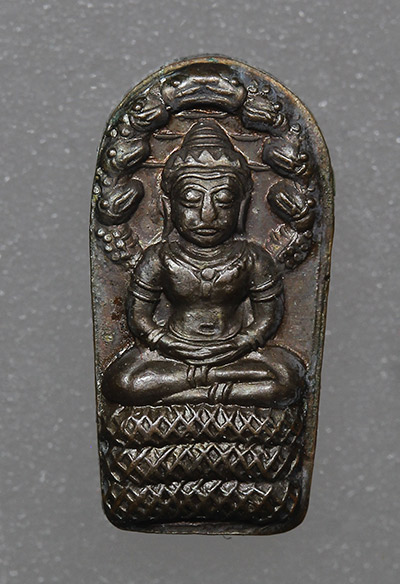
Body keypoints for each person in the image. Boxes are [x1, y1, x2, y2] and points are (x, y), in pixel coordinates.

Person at [102, 120, 305, 406]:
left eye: (223, 200)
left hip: (235, 352)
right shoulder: (159, 257)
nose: (207, 214)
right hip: (173, 350)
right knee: (121, 381)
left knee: (289, 378)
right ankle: (215, 389)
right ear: (169, 205)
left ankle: (192, 391)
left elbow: (267, 318)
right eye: (191, 200)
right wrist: (166, 343)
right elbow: (139, 318)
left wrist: (242, 343)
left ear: (242, 206)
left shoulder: (252, 258)